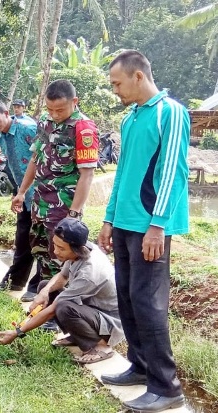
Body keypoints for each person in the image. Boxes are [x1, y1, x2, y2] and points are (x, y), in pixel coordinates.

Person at [97, 50, 189, 412]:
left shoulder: (171, 112)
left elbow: (171, 172)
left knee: (149, 303)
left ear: (138, 76)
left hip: (151, 225)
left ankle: (167, 388)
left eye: (117, 84)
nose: (115, 91)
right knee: (128, 297)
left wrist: (157, 225)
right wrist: (108, 219)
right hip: (124, 222)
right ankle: (140, 366)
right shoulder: (130, 118)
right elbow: (121, 174)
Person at [11, 80, 98, 313]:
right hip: (40, 202)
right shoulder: (46, 123)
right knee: (43, 254)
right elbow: (35, 159)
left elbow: (86, 175)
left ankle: (61, 312)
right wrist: (21, 192)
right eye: (50, 109)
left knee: (64, 260)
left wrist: (75, 214)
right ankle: (45, 306)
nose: (54, 114)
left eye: (59, 109)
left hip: (64, 205)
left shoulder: (84, 129)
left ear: (74, 102)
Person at [0, 218, 124, 365]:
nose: (56, 252)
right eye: (55, 245)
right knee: (46, 286)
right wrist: (44, 292)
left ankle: (100, 345)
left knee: (63, 307)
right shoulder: (82, 249)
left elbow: (53, 309)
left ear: (76, 248)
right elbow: (63, 276)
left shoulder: (89, 273)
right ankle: (77, 336)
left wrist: (17, 332)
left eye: (61, 248)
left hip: (109, 321)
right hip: (91, 310)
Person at [0, 99, 37, 294]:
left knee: (43, 243)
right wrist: (18, 192)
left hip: (42, 195)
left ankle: (37, 286)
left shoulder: (28, 129)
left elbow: (42, 160)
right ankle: (14, 282)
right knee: (22, 240)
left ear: (6, 112)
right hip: (22, 195)